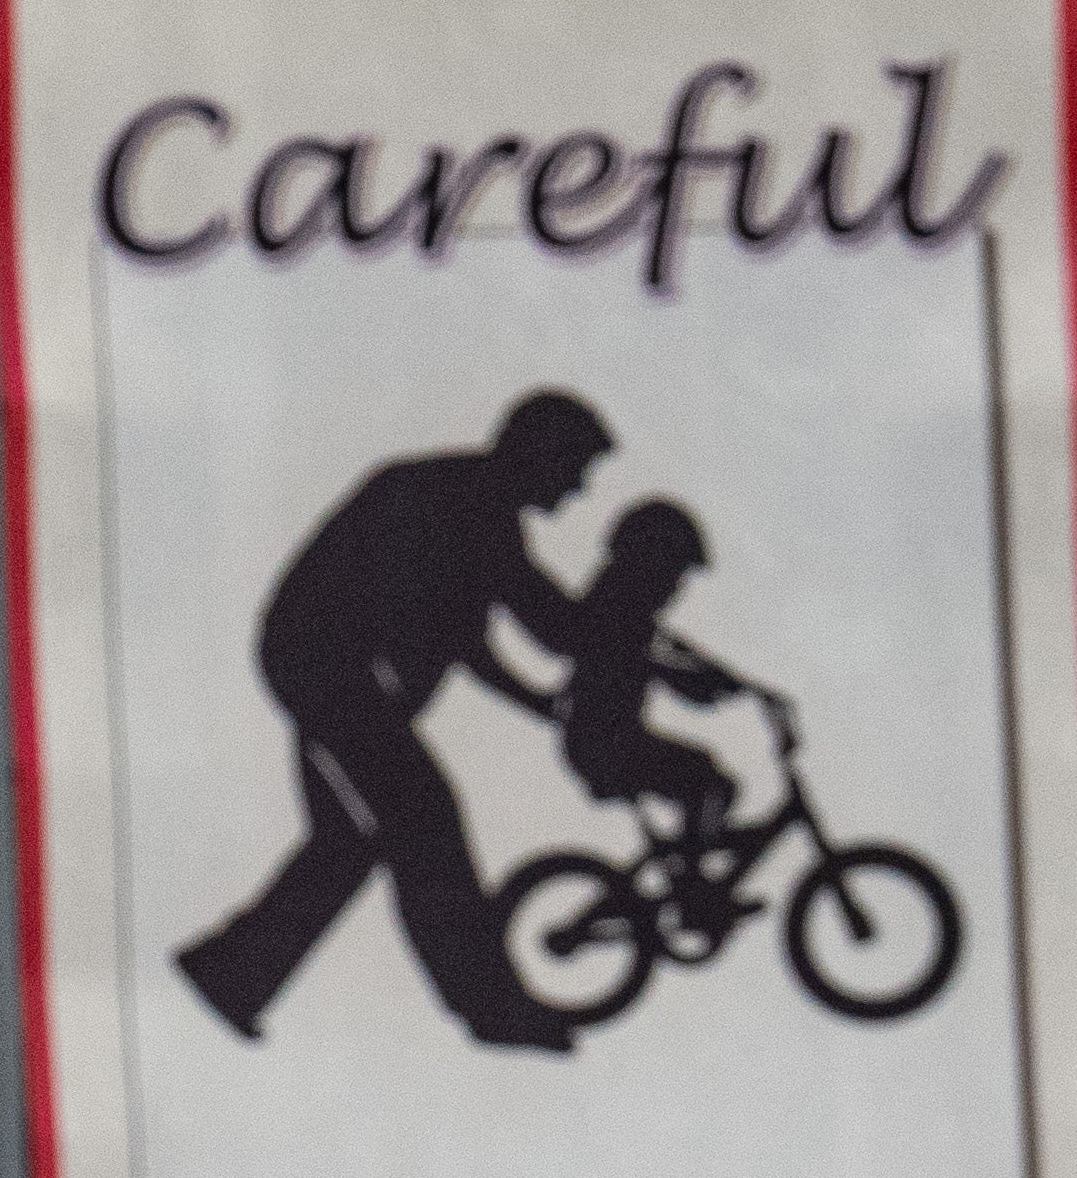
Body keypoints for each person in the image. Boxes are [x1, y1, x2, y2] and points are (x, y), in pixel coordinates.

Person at [170, 391, 616, 1051]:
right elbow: (546, 625)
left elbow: (483, 639)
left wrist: (548, 701)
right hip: (326, 671)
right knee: (424, 816)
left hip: (334, 676)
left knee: (351, 835)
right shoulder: (457, 504)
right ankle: (491, 1008)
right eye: (574, 468)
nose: (577, 488)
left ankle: (232, 969)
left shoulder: (477, 510)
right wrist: (622, 617)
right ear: (537, 453)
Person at [544, 496, 750, 866]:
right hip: (603, 742)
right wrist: (697, 684)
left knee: (709, 784)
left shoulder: (628, 607)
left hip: (604, 739)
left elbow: (678, 653)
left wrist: (730, 680)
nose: (676, 587)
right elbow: (646, 663)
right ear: (650, 563)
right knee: (708, 783)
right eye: (675, 573)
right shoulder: (616, 607)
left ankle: (687, 872)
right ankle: (691, 883)